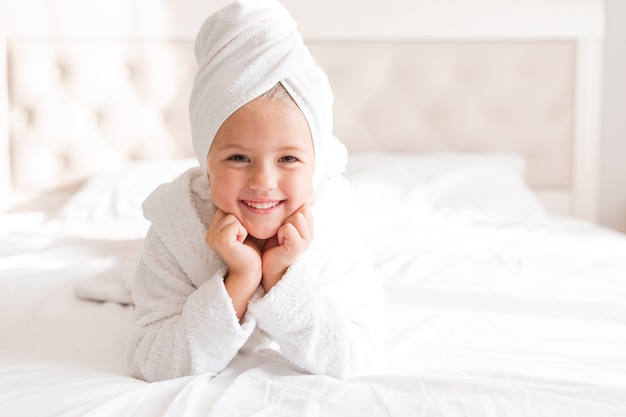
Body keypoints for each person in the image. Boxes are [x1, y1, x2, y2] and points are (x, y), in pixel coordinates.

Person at [127, 0, 385, 382]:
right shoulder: (175, 223)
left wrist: (282, 275)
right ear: (206, 161)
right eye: (237, 157)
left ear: (317, 163)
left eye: (289, 159)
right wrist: (241, 279)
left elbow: (356, 356)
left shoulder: (333, 223)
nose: (263, 181)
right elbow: (153, 361)